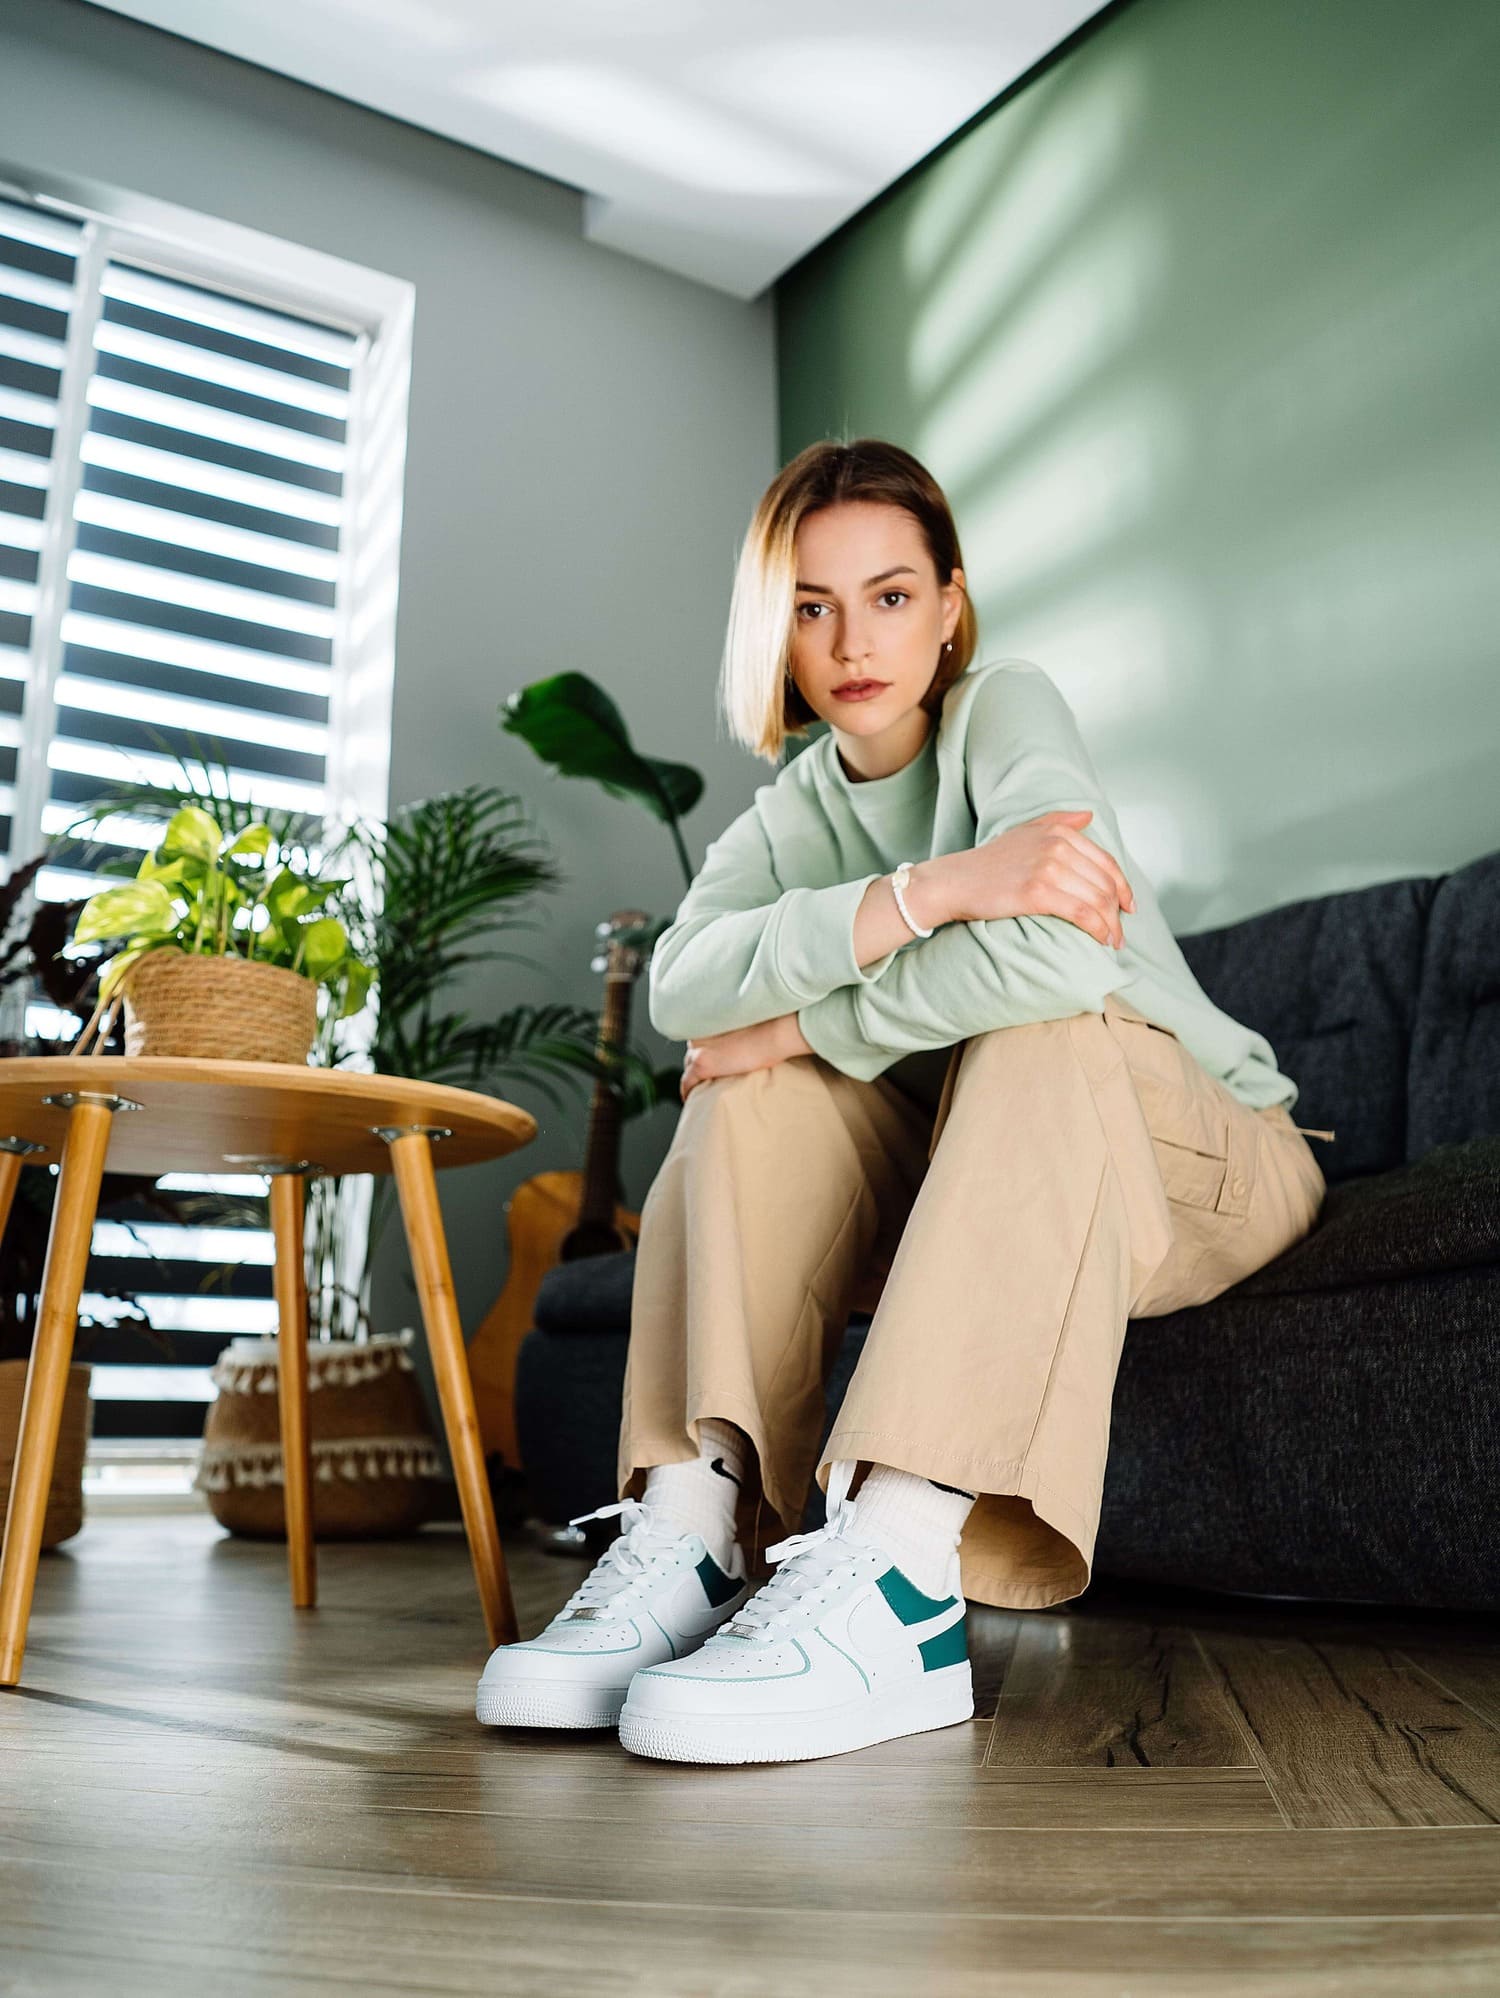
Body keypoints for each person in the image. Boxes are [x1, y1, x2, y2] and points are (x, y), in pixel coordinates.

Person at [475, 437, 1332, 1766]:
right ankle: (695, 1534)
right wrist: (928, 893)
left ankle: (901, 1574)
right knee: (743, 1100)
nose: (850, 638)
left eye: (888, 595)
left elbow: (1062, 955)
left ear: (948, 607)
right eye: (811, 606)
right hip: (988, 1161)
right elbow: (684, 992)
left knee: (1028, 1027)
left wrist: (808, 1015)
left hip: (1204, 1150)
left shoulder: (1009, 711)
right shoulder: (791, 813)